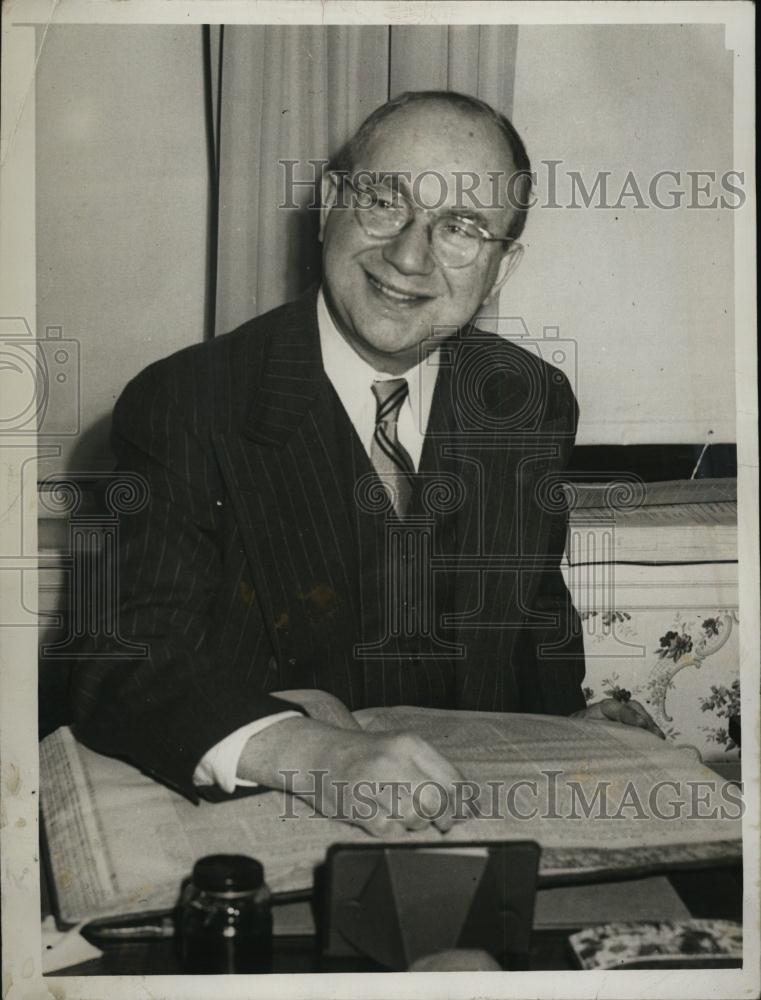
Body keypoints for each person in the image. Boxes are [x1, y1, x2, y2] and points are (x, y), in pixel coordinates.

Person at [70, 90, 661, 838]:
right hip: (274, 821)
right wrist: (311, 752)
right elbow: (118, 659)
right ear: (329, 205)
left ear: (502, 264)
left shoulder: (527, 397)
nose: (409, 256)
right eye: (385, 201)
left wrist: (572, 731)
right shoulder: (187, 401)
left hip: (472, 822)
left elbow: (531, 616)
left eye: (461, 228)